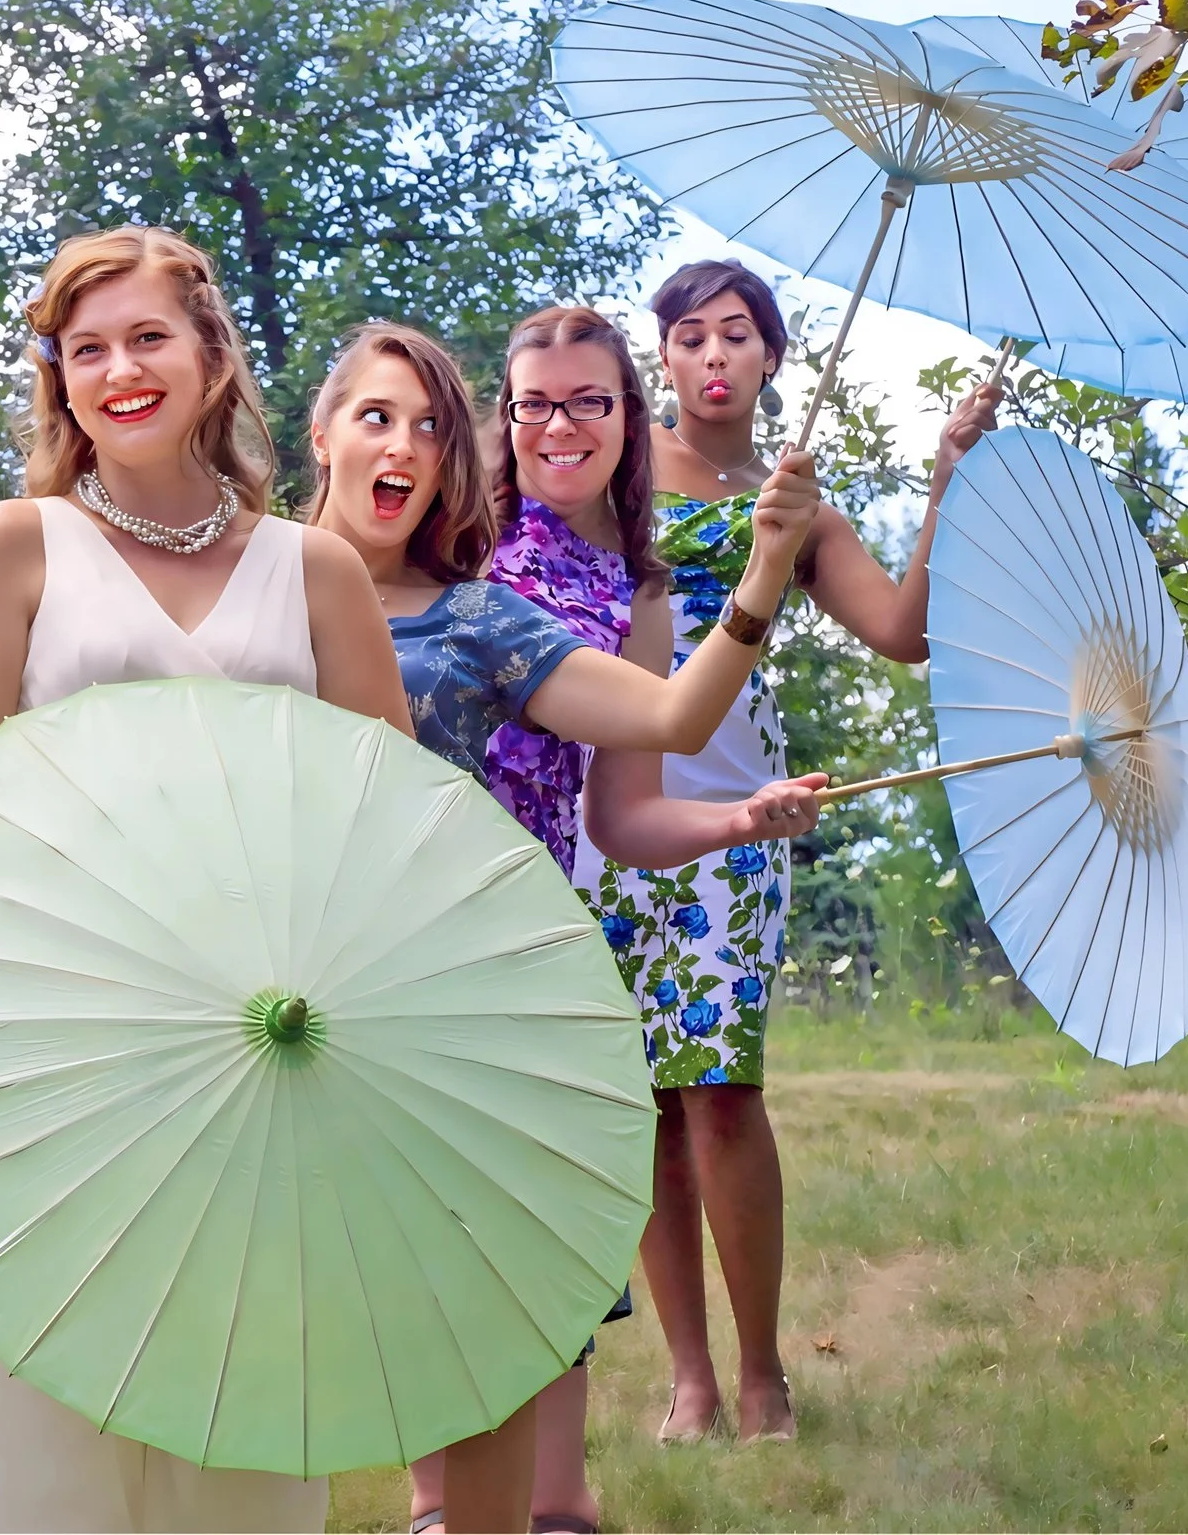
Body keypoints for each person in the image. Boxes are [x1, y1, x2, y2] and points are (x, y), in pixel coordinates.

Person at [0, 227, 547, 1534]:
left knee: (240, 1414)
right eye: (86, 349)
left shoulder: (310, 568)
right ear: (60, 381)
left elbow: (391, 820)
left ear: (212, 357)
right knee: (45, 1429)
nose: (118, 370)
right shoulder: (11, 546)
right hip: (50, 1045)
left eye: (148, 337)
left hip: (258, 1050)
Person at [304, 317, 825, 1533]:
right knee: (402, 1249)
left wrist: (742, 812)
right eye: (532, 404)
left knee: (520, 1247)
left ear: (625, 421)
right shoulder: (447, 552)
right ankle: (445, 1502)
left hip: (515, 933)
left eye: (589, 403)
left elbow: (634, 797)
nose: (559, 427)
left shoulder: (600, 593)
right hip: (339, 942)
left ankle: (551, 1506)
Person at [573, 258, 997, 1443]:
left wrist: (946, 480)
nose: (713, 357)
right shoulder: (610, 469)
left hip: (737, 814)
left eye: (737, 336)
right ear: (661, 360)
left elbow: (902, 632)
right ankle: (688, 1375)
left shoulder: (795, 497)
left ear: (771, 356)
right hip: (600, 813)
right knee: (643, 1096)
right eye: (690, 338)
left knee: (720, 1092)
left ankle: (762, 1370)